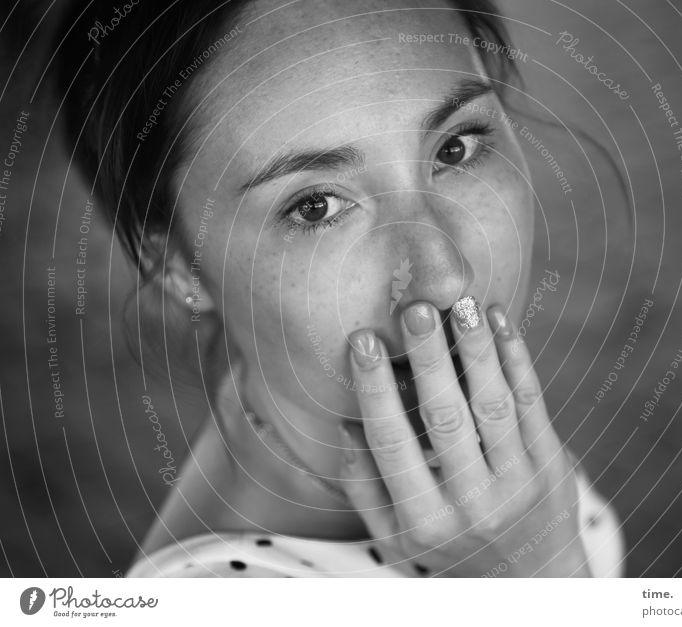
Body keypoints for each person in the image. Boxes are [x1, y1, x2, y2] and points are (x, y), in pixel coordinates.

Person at [55, 0, 625, 577]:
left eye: (456, 148)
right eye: (316, 206)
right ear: (179, 264)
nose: (446, 280)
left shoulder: (485, 435)